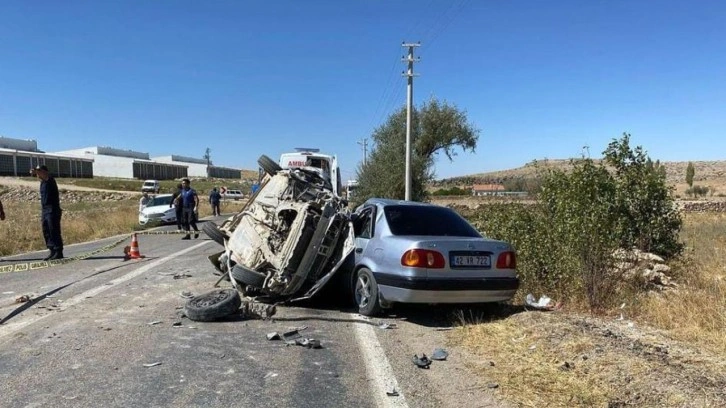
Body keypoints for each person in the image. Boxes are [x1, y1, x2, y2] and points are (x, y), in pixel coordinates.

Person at [31, 165, 64, 260]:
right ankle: (52, 250)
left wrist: (36, 171)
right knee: (46, 230)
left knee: (53, 230)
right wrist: (36, 172)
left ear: (45, 172)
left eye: (39, 171)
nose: (37, 173)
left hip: (52, 209)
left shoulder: (50, 180)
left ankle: (58, 251)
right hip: (45, 209)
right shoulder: (42, 182)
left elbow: (44, 176)